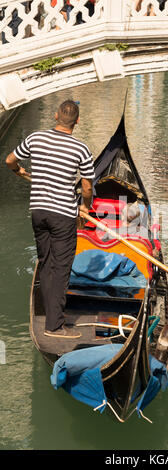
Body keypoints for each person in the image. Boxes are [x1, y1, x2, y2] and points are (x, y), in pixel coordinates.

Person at [5, 100, 95, 339]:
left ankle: (48, 313)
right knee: (61, 267)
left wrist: (18, 172)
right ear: (77, 121)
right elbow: (86, 187)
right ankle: (54, 326)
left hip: (38, 212)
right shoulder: (81, 149)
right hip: (63, 215)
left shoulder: (35, 139)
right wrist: (85, 208)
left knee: (46, 263)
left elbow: (10, 160)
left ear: (56, 116)